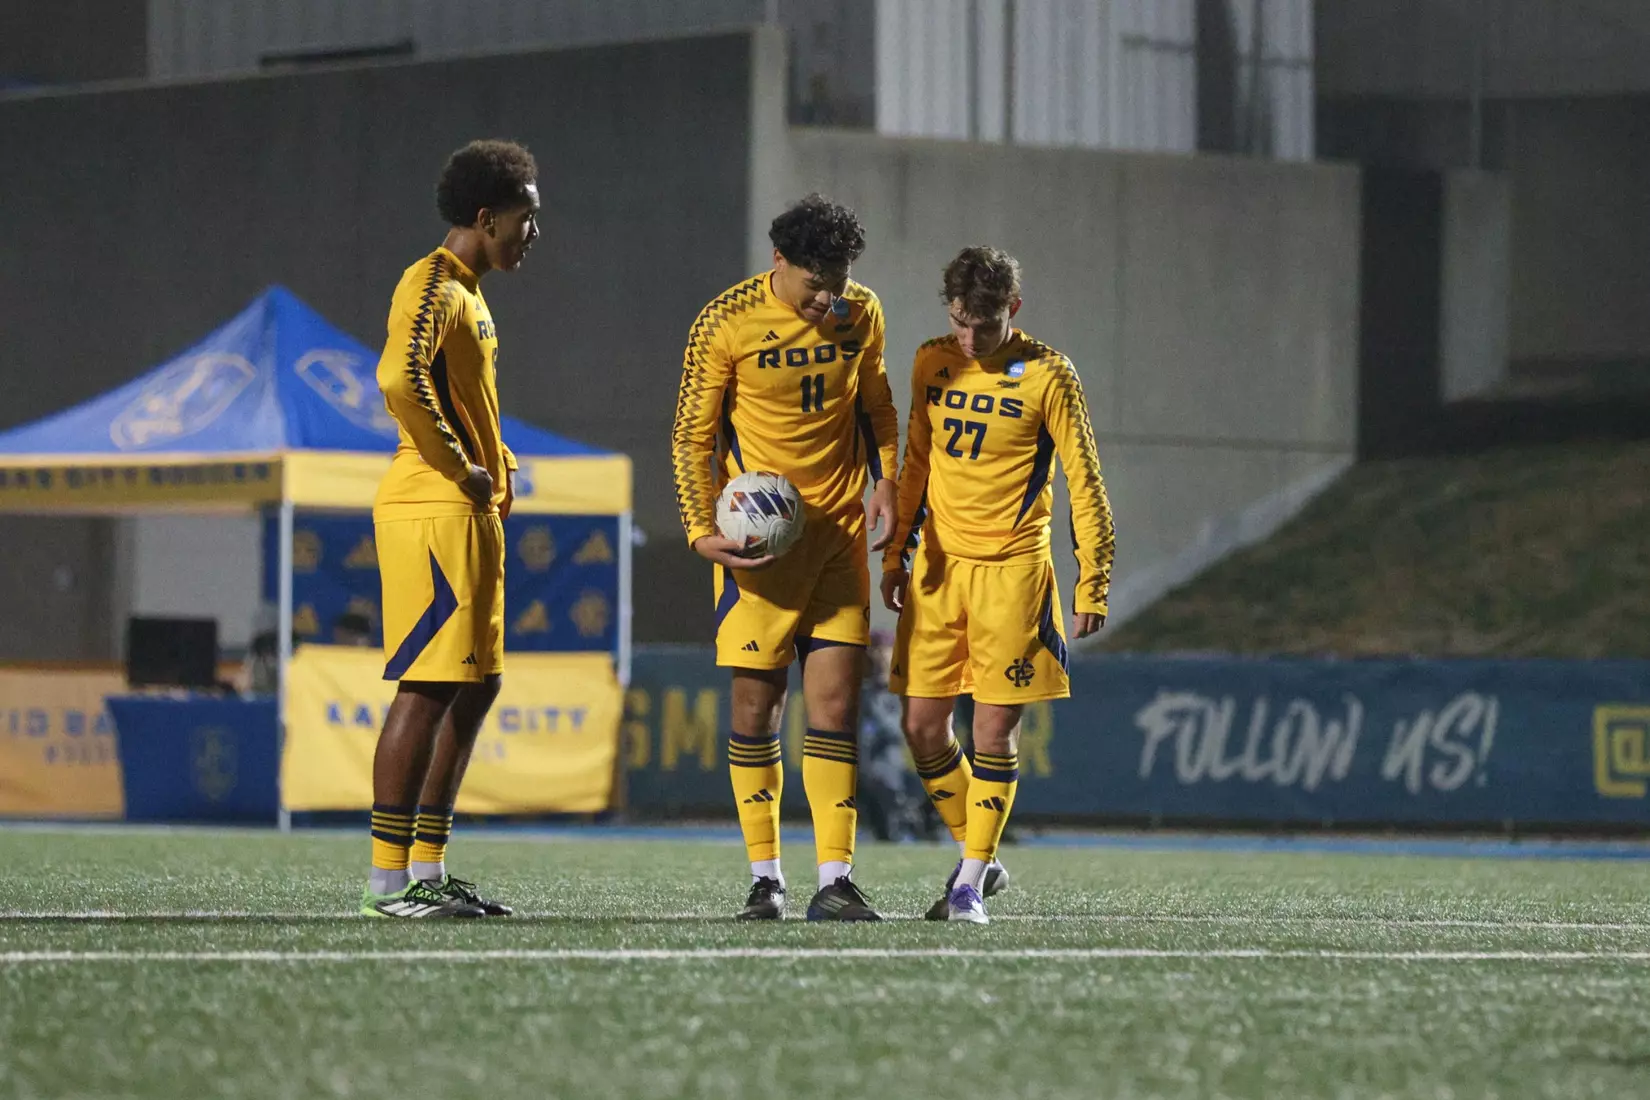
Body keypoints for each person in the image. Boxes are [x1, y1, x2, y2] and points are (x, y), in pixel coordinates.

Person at [671, 194, 900, 921]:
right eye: (815, 284)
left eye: (838, 282)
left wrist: (887, 481)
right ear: (779, 261)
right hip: (760, 549)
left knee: (835, 709)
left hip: (837, 539)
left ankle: (835, 879)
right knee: (757, 709)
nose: (828, 299)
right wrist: (698, 530)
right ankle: (766, 880)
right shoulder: (725, 320)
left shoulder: (862, 313)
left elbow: (878, 406)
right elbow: (691, 435)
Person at [882, 246, 1115, 924]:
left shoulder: (1049, 374)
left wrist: (1093, 581)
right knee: (922, 727)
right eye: (959, 322)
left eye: (983, 325)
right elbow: (917, 465)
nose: (969, 338)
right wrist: (896, 556)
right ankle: (978, 855)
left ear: (1013, 308)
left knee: (991, 729)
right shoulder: (932, 362)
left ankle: (968, 884)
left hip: (1014, 574)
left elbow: (1086, 481)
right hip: (939, 571)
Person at [359, 139, 540, 919]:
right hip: (431, 506)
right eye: (527, 217)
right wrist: (461, 466)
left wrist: (497, 462)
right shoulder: (430, 282)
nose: (534, 233)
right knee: (430, 685)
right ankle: (387, 884)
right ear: (487, 217)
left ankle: (428, 867)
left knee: (476, 684)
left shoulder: (470, 294)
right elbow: (399, 380)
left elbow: (459, 392)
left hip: (466, 509)